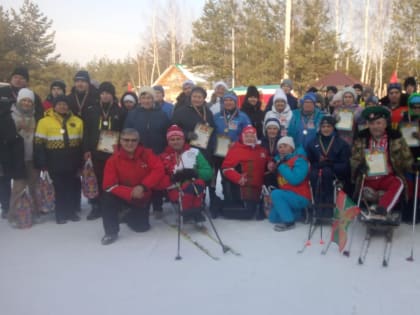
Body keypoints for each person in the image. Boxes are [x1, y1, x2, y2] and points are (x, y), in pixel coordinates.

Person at [100, 128, 165, 245]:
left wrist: (143, 186)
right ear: (120, 141)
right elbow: (108, 185)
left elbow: (159, 169)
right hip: (123, 195)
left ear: (138, 141)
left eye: (133, 140)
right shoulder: (113, 160)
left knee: (142, 228)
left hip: (142, 195)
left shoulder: (147, 154)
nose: (130, 143)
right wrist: (129, 192)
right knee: (107, 197)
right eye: (126, 140)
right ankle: (111, 232)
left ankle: (126, 214)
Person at [351, 106, 413, 218]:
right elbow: (353, 160)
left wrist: (413, 165)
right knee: (359, 184)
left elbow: (406, 159)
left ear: (385, 124)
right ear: (368, 125)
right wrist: (359, 166)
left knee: (399, 182)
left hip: (386, 177)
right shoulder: (361, 138)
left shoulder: (396, 139)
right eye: (372, 124)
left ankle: (382, 210)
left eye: (379, 123)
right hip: (368, 178)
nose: (375, 127)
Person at [0, 67, 43, 217]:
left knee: (34, 184)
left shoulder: (35, 106)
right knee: (14, 184)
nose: (19, 79)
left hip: (31, 154)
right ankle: (10, 211)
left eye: (22, 78)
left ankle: (35, 211)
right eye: (16, 77)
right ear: (11, 78)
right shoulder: (3, 95)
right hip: (12, 152)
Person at [34, 95, 83, 224]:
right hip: (54, 161)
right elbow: (39, 144)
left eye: (65, 104)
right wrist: (42, 162)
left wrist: (81, 161)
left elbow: (81, 142)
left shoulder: (77, 121)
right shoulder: (44, 122)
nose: (62, 106)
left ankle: (71, 212)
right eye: (59, 104)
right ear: (54, 106)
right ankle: (60, 213)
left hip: (73, 160)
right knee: (59, 188)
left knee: (71, 186)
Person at [124, 86, 170, 218]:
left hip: (157, 151)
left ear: (153, 99)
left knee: (157, 179)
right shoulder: (133, 113)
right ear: (140, 100)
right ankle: (141, 205)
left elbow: (167, 132)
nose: (146, 100)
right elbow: (127, 131)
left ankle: (157, 206)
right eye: (143, 97)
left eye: (149, 97)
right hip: (139, 152)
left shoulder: (161, 114)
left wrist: (165, 149)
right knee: (139, 179)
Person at [83, 81, 126, 220]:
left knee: (114, 179)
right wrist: (86, 149)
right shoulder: (91, 110)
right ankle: (96, 206)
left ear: (112, 95)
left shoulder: (120, 111)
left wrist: (122, 148)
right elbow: (86, 131)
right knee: (97, 179)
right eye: (102, 93)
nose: (105, 96)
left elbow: (123, 131)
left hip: (114, 152)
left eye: (107, 93)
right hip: (96, 151)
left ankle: (115, 205)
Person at [172, 86, 217, 215]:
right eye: (194, 96)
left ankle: (200, 201)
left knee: (202, 175)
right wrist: (186, 134)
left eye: (200, 97)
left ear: (204, 98)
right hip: (188, 149)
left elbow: (212, 127)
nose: (197, 99)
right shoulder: (180, 111)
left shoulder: (207, 111)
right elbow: (173, 128)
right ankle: (186, 203)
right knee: (190, 175)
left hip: (205, 148)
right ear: (190, 97)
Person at [160, 125, 213, 221]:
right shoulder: (164, 156)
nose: (176, 142)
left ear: (183, 139)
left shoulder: (194, 152)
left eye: (178, 139)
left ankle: (196, 211)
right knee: (187, 187)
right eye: (172, 139)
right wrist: (173, 178)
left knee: (198, 184)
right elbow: (160, 177)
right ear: (168, 141)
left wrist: (195, 172)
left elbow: (208, 172)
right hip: (175, 187)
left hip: (195, 185)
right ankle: (186, 213)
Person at [212, 92, 251, 217]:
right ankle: (217, 202)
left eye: (231, 100)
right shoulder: (216, 116)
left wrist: (238, 142)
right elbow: (210, 132)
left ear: (236, 102)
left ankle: (234, 201)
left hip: (235, 152)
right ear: (223, 103)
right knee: (215, 178)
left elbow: (248, 133)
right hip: (218, 151)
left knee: (232, 177)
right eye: (226, 100)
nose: (228, 103)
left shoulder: (242, 117)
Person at [221, 126, 270, 220]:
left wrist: (271, 163)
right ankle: (220, 207)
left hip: (258, 188)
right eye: (247, 136)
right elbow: (225, 168)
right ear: (242, 137)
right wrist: (238, 178)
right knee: (248, 213)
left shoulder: (261, 150)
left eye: (252, 136)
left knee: (260, 210)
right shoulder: (236, 150)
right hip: (245, 187)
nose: (250, 138)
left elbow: (267, 160)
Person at [8, 88, 41, 225]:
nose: (27, 103)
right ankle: (14, 216)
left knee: (34, 186)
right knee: (18, 187)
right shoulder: (11, 115)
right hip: (18, 158)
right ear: (19, 101)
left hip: (32, 157)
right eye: (24, 100)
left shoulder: (35, 116)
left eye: (29, 101)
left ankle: (34, 212)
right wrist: (16, 127)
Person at [306, 116, 351, 217]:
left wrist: (331, 165)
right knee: (314, 174)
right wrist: (317, 165)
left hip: (334, 175)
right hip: (317, 173)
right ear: (320, 128)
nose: (326, 129)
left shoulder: (342, 144)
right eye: (323, 126)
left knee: (327, 172)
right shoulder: (312, 143)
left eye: (329, 126)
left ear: (333, 128)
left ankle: (329, 208)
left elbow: (345, 166)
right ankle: (317, 208)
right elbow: (309, 162)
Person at [268, 136, 311, 231]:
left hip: (300, 196)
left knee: (275, 193)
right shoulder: (281, 161)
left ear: (292, 147)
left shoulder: (300, 160)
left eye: (285, 146)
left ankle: (289, 222)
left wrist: (281, 166)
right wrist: (273, 163)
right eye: (280, 147)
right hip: (288, 195)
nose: (282, 149)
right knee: (273, 218)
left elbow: (295, 180)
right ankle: (301, 213)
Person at [399, 93, 420, 222]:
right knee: (409, 184)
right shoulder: (405, 119)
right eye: (414, 106)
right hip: (407, 155)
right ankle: (407, 209)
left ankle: (417, 210)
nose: (417, 109)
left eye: (419, 106)